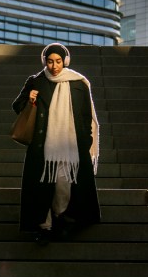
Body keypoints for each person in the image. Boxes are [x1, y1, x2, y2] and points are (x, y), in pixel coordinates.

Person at [11, 42, 101, 246]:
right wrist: (28, 98)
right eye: (50, 61)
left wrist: (84, 140)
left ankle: (63, 220)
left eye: (58, 61)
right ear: (45, 61)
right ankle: (45, 226)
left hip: (70, 145)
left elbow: (86, 115)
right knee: (42, 186)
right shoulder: (36, 81)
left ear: (65, 61)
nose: (54, 66)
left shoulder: (78, 82)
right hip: (43, 145)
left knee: (64, 185)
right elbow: (17, 106)